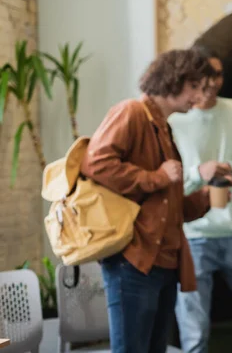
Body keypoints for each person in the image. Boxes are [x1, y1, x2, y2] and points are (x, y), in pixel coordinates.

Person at [80, 49, 216, 353]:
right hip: (134, 261)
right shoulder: (131, 112)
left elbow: (167, 206)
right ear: (174, 79)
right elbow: (96, 164)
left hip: (164, 263)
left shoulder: (163, 128)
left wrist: (205, 198)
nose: (199, 95)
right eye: (195, 86)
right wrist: (156, 177)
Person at [169, 45, 232, 353]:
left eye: (217, 74)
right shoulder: (176, 119)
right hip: (194, 236)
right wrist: (200, 171)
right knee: (193, 328)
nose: (212, 82)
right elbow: (169, 180)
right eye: (204, 75)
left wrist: (227, 168)